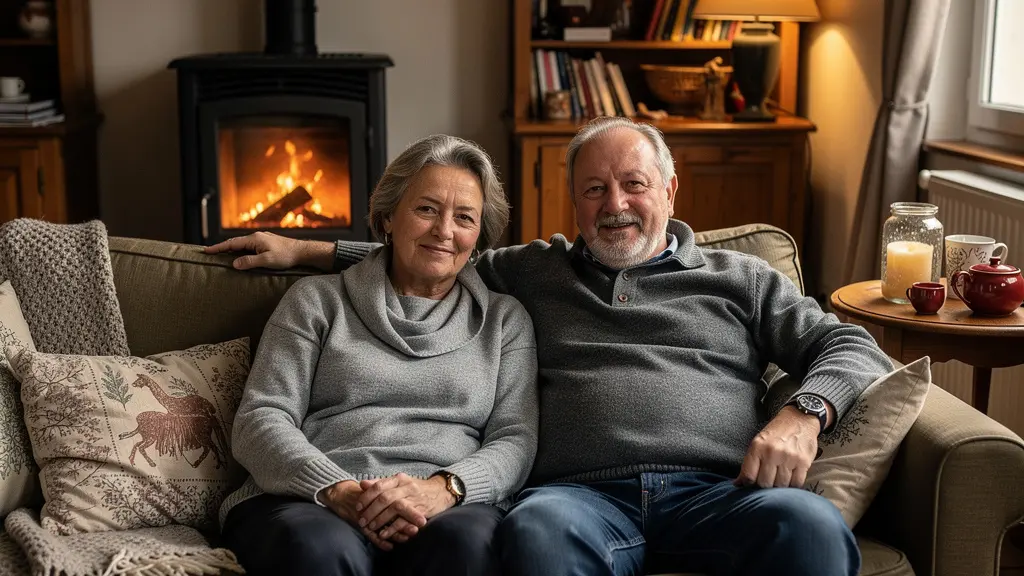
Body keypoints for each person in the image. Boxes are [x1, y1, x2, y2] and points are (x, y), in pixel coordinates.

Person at [208, 117, 893, 576]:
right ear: (572, 200)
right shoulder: (535, 272)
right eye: (594, 189)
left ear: (670, 190)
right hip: (581, 500)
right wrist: (305, 248)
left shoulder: (741, 277)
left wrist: (804, 413)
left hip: (719, 491)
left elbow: (851, 346)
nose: (614, 204)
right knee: (532, 536)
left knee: (807, 525)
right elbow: (430, 255)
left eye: (633, 184)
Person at [217, 134, 539, 576]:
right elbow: (261, 418)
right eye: (426, 209)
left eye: (464, 217)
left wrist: (444, 489)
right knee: (320, 549)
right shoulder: (316, 301)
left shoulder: (505, 322)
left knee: (465, 547)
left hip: (447, 503)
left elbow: (515, 438)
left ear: (479, 234)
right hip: (312, 497)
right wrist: (336, 488)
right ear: (388, 217)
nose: (444, 231)